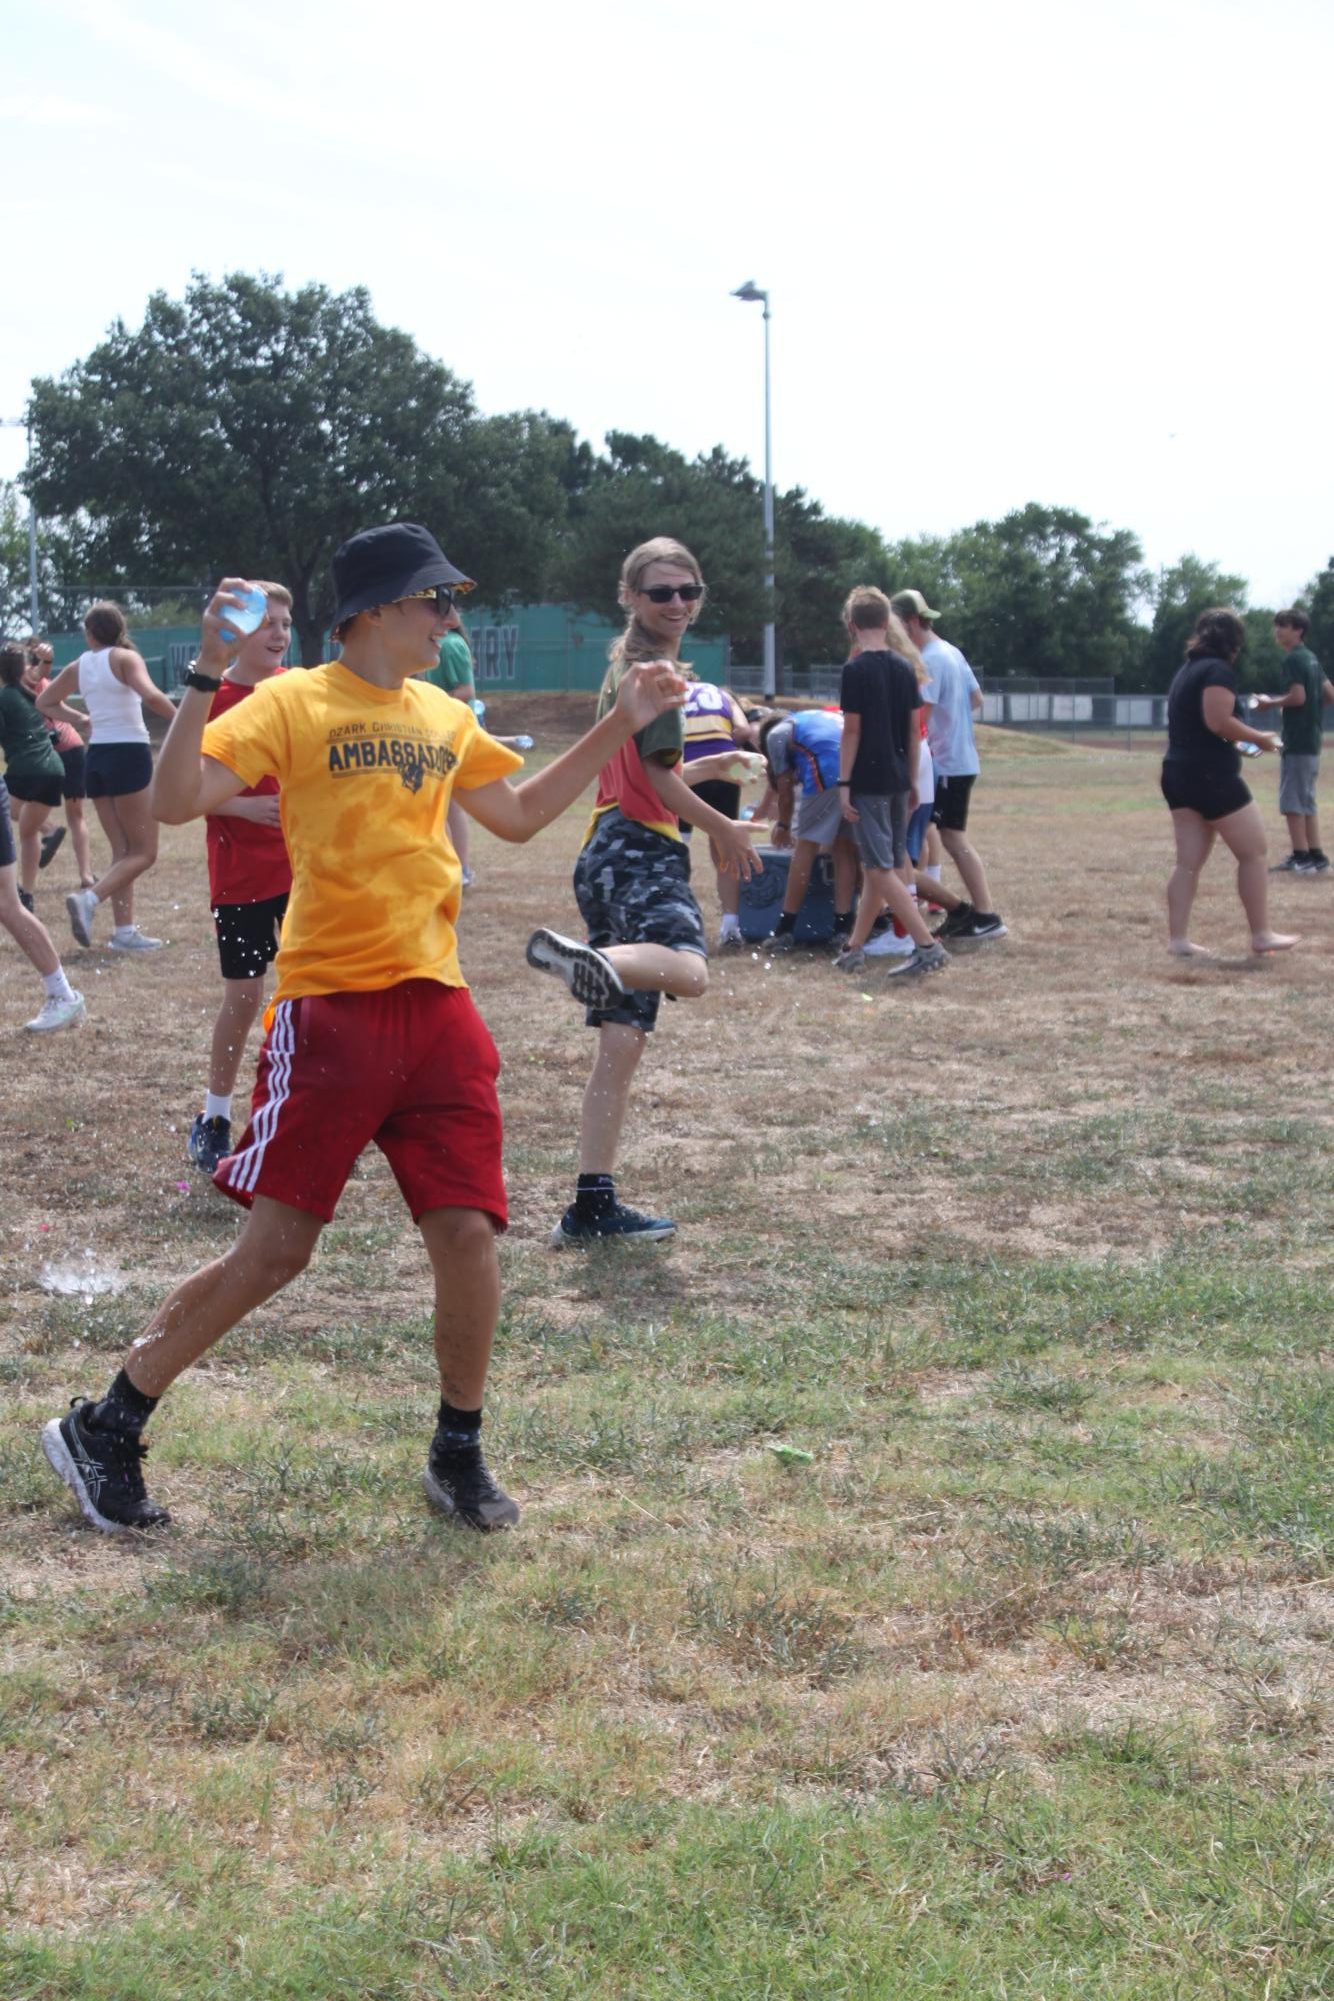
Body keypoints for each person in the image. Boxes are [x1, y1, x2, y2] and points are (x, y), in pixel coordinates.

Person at [40, 522, 688, 1538]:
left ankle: (457, 1448)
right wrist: (208, 668)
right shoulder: (292, 701)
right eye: (436, 600)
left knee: (469, 1232)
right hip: (330, 1009)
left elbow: (513, 814)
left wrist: (620, 725)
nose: (451, 616)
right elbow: (173, 803)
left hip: (439, 1007)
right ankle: (108, 1422)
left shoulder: (437, 708)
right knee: (274, 1254)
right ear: (378, 607)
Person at [525, 536, 759, 1247]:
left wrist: (715, 768)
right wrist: (727, 829)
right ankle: (595, 963)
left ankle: (592, 1203)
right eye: (662, 592)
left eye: (690, 591)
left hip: (603, 853)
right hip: (641, 850)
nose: (679, 603)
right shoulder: (657, 675)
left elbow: (649, 764)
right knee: (692, 969)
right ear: (630, 597)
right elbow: (658, 784)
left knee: (621, 1044)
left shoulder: (626, 669)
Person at [187, 583, 295, 1174]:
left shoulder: (297, 691)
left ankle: (305, 1112)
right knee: (245, 994)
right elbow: (181, 787)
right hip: (241, 877)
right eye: (267, 624)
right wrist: (238, 807)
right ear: (238, 633)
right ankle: (215, 1115)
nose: (279, 633)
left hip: (302, 870)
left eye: (284, 623)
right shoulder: (216, 696)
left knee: (315, 994)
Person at [36, 601, 177, 951]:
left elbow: (45, 703)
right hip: (128, 754)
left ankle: (124, 933)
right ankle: (90, 899)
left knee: (122, 851)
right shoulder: (126, 659)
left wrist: (80, 719)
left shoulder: (80, 665)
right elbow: (151, 695)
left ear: (89, 633)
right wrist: (184, 719)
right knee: (144, 852)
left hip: (96, 757)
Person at [1160, 607, 1297, 958]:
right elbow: (1218, 721)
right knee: (1254, 853)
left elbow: (1207, 726)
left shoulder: (1187, 671)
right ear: (1235, 641)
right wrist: (1261, 738)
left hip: (1178, 772)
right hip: (1210, 776)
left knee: (1187, 862)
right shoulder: (1218, 671)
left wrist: (1244, 744)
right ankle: (1262, 934)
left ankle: (1178, 940)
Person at [831, 588, 948, 978]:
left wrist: (844, 783)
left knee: (879, 868)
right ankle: (854, 947)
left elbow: (851, 732)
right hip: (900, 777)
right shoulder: (904, 667)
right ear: (887, 623)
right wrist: (913, 780)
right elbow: (915, 733)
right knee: (885, 863)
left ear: (851, 626)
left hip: (868, 779)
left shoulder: (854, 671)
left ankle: (926, 945)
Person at [889, 589, 1006, 940]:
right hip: (960, 759)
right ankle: (969, 911)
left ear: (910, 623)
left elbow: (917, 719)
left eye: (896, 627)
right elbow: (976, 698)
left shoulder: (930, 660)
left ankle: (982, 914)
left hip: (944, 764)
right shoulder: (951, 651)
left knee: (950, 838)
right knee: (938, 835)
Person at [757, 707, 859, 951]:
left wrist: (783, 825)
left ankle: (785, 928)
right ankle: (842, 928)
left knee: (805, 845)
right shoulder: (814, 718)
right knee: (844, 846)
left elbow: (784, 789)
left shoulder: (775, 736)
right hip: (857, 772)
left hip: (827, 772)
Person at [1252, 608, 1333, 874]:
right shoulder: (1311, 658)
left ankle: (1300, 857)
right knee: (1307, 801)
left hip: (1298, 740)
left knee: (1292, 802)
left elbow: (1297, 697)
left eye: (1283, 626)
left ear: (1298, 630)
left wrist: (1269, 703)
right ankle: (1317, 855)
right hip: (1312, 738)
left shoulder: (1293, 660)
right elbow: (1329, 694)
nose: (1278, 631)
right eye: (1277, 626)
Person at [681, 678, 758, 948]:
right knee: (724, 846)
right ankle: (730, 927)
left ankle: (676, 920)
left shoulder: (673, 691)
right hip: (725, 768)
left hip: (686, 767)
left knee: (676, 845)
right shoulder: (722, 693)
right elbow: (742, 730)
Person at [0, 642, 67, 913]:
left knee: (15, 821)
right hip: (53, 769)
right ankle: (26, 894)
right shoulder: (29, 694)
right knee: (28, 832)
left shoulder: (5, 697)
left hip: (27, 769)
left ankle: (14, 890)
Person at [22, 640, 95, 890]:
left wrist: (47, 661)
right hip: (73, 747)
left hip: (53, 754)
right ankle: (86, 875)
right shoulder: (39, 680)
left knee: (16, 803)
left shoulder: (27, 676)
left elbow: (38, 671)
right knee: (76, 815)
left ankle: (48, 830)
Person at [425, 600, 478, 888]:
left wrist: (430, 705)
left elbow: (466, 691)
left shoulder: (451, 646)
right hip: (438, 731)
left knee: (450, 804)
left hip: (451, 732)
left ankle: (461, 869)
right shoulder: (437, 647)